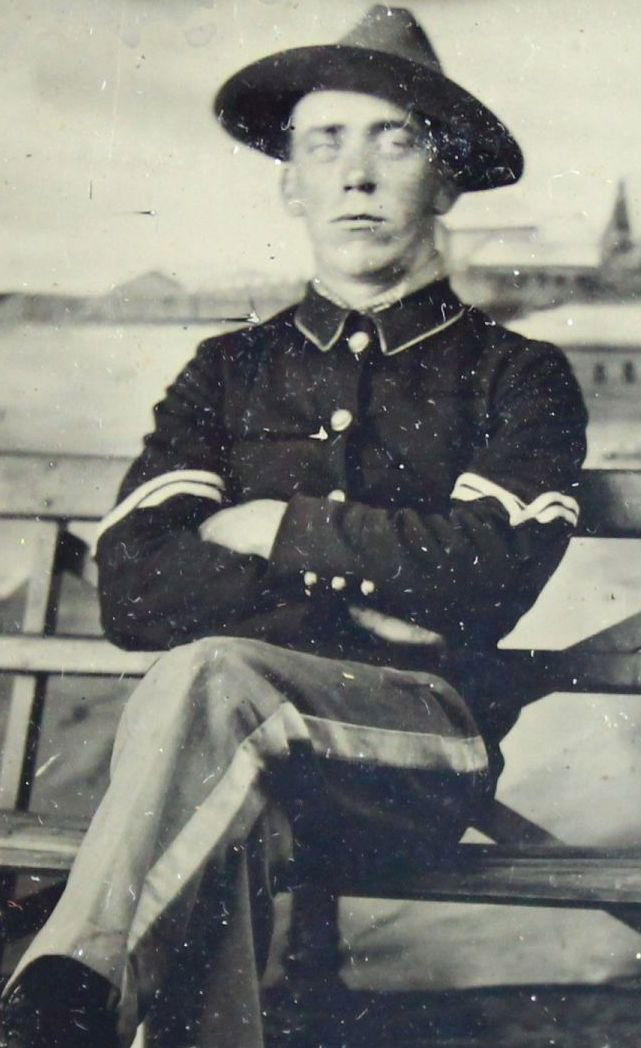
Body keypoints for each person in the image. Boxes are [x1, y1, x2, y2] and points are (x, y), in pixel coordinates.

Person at [0, 6, 587, 1047]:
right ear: (289, 183)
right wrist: (366, 593)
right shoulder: (227, 371)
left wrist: (263, 522)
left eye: (392, 140)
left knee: (212, 681)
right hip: (225, 756)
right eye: (325, 142)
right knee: (213, 769)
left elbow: (487, 576)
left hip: (409, 752)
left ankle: (65, 993)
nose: (355, 174)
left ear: (443, 180)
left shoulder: (516, 375)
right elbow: (135, 586)